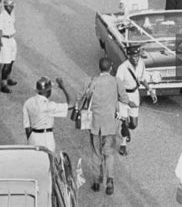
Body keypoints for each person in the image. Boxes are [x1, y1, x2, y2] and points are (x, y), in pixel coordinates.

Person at [77, 58, 135, 196]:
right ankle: (109, 181)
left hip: (95, 125)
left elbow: (82, 97)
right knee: (109, 154)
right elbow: (124, 98)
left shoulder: (92, 81)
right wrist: (131, 103)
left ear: (100, 68)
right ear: (110, 68)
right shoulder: (116, 81)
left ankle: (96, 182)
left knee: (96, 153)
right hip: (110, 126)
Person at [116, 45, 157, 156]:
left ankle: (126, 129)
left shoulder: (142, 64)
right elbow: (118, 86)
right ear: (128, 56)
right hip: (124, 96)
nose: (136, 58)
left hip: (135, 94)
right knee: (124, 121)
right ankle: (123, 144)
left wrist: (150, 90)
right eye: (133, 56)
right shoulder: (122, 68)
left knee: (133, 124)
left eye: (137, 56)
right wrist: (127, 101)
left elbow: (142, 79)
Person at [23, 77, 73, 153]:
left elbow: (27, 127)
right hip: (46, 139)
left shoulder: (28, 102)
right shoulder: (49, 106)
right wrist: (63, 87)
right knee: (49, 162)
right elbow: (71, 104)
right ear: (48, 91)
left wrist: (31, 139)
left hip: (32, 138)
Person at [0, 0, 17, 93]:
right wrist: (0, 42)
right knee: (6, 62)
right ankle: (3, 84)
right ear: (5, 6)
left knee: (12, 60)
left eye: (12, 6)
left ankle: (8, 78)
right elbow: (0, 30)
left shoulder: (11, 14)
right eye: (9, 6)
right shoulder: (1, 16)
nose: (11, 8)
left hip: (11, 38)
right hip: (4, 39)